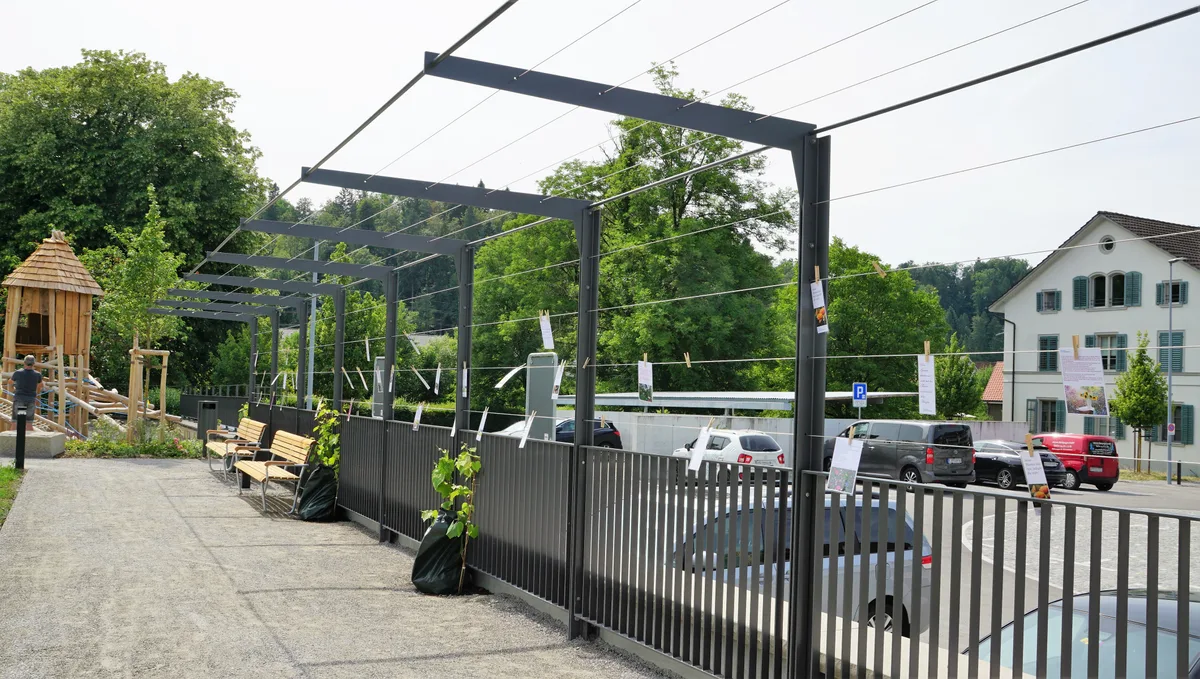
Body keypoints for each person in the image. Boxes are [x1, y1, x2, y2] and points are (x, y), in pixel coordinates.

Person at [8, 355, 43, 431]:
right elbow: (41, 385)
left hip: (19, 399)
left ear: (24, 363)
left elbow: (10, 382)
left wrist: (14, 387)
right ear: (34, 364)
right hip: (31, 400)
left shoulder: (18, 372)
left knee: (15, 422)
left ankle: (12, 438)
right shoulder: (37, 374)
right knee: (29, 424)